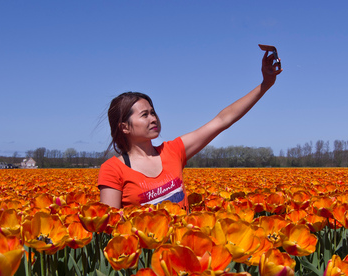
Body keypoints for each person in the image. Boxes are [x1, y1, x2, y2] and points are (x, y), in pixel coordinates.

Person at [98, 50, 282, 209]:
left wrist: (265, 85)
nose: (153, 118)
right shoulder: (113, 169)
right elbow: (111, 227)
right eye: (144, 115)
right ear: (124, 127)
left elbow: (222, 120)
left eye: (153, 112)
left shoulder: (173, 151)